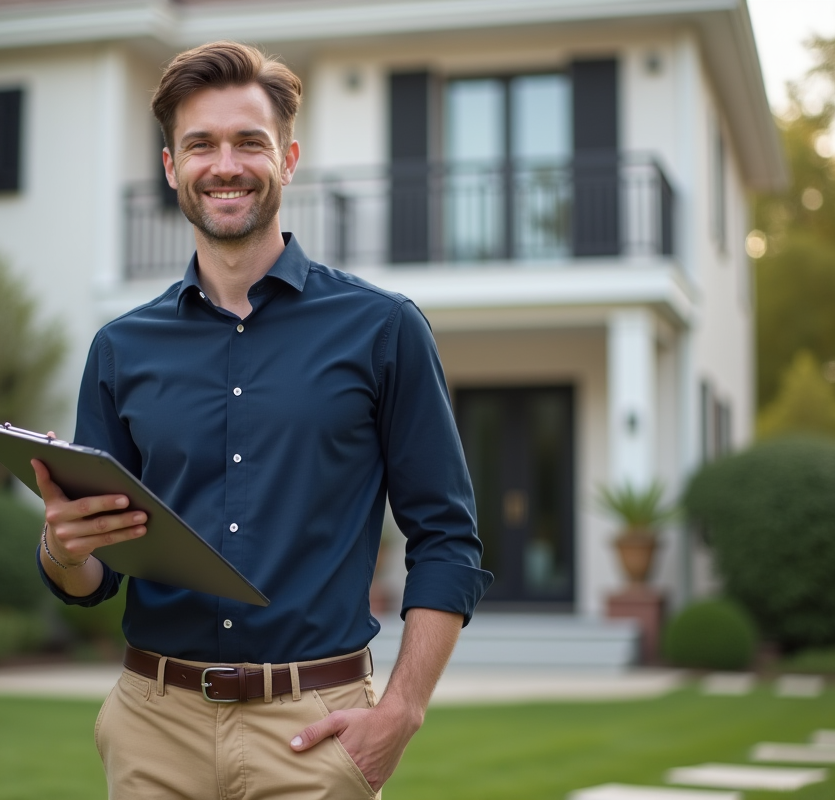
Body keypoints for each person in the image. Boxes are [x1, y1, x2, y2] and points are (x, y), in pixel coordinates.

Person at [33, 41, 492, 799]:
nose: (226, 164)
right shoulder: (120, 349)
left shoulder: (383, 330)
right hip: (153, 729)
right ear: (171, 166)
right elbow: (93, 575)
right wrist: (60, 547)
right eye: (201, 144)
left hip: (315, 731)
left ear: (289, 157)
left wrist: (402, 711)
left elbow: (447, 537)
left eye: (250, 141)